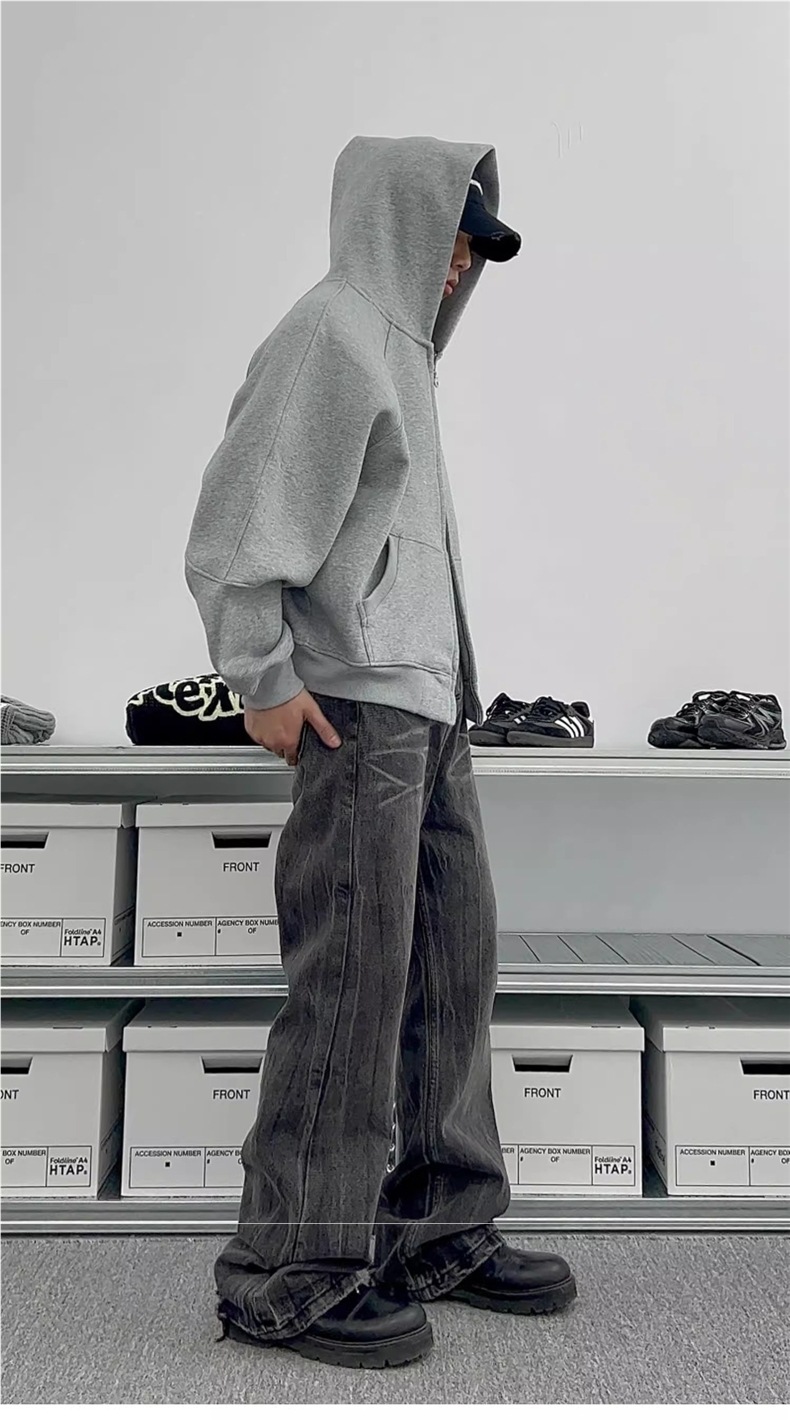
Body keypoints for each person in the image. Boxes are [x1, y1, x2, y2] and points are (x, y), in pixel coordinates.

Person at [185, 135, 577, 1370]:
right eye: (457, 236)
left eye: (479, 248)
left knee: (452, 966)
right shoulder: (332, 336)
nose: (463, 264)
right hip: (357, 711)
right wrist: (260, 677)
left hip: (429, 708)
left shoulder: (401, 356)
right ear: (402, 220)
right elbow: (238, 527)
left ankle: (436, 1227)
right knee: (352, 983)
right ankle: (288, 1271)